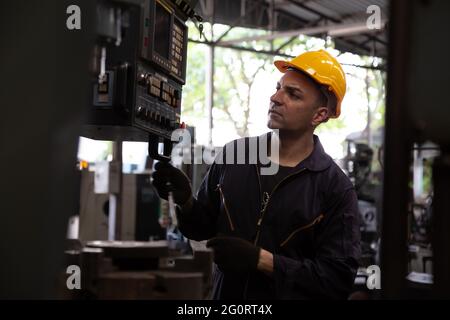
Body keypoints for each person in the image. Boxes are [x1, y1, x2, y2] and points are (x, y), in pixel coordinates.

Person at [152, 49, 361, 299]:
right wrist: (185, 201)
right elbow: (202, 228)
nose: (275, 98)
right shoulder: (235, 155)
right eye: (278, 88)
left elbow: (337, 280)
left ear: (319, 115)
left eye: (292, 94)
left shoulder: (335, 188)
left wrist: (263, 260)